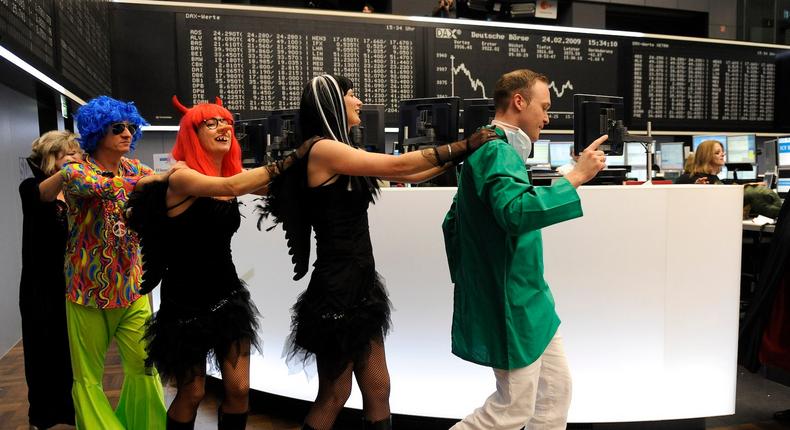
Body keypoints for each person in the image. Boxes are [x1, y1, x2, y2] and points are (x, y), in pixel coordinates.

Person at [261, 74, 495, 430]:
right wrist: (463, 145)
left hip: (360, 286)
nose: (358, 102)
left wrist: (460, 156)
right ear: (331, 104)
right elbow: (399, 166)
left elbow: (412, 175)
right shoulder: (324, 149)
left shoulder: (341, 152)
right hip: (336, 292)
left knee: (378, 388)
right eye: (351, 95)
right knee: (335, 395)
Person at [442, 69, 606, 430]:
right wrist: (575, 177)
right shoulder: (495, 151)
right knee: (512, 408)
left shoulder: (496, 151)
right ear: (519, 102)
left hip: (530, 298)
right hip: (510, 299)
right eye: (544, 107)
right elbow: (515, 212)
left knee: (554, 394)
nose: (547, 118)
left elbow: (453, 223)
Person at [127, 97, 302, 430]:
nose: (225, 127)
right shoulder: (183, 179)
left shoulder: (228, 175)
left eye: (227, 123)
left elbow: (258, 185)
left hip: (228, 297)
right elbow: (232, 186)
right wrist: (296, 157)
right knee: (192, 392)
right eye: (212, 123)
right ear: (193, 133)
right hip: (185, 305)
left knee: (238, 390)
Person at [61, 95, 171, 429]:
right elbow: (104, 187)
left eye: (130, 127)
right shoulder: (76, 171)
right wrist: (158, 179)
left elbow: (161, 189)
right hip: (87, 292)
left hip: (131, 289)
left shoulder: (137, 168)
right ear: (97, 132)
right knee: (88, 379)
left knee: (144, 367)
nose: (127, 133)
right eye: (117, 128)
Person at [19, 131, 81, 429]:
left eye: (75, 152)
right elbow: (41, 197)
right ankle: (42, 418)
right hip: (41, 289)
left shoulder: (77, 192)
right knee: (43, 355)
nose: (73, 158)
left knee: (72, 357)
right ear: (49, 158)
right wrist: (71, 172)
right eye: (64, 154)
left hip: (74, 287)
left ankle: (71, 416)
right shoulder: (31, 187)